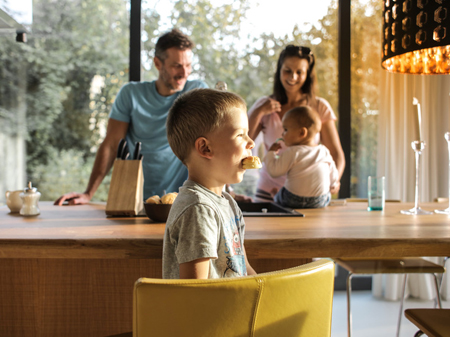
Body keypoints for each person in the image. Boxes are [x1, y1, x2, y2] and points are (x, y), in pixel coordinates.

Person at [54, 29, 208, 206]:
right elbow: (112, 145)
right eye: (177, 66)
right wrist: (88, 193)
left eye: (188, 65)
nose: (184, 72)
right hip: (133, 199)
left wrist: (228, 192)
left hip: (182, 201)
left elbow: (214, 142)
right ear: (158, 63)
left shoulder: (196, 92)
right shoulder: (131, 94)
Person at [163, 88, 257, 279]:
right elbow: (196, 295)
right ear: (205, 148)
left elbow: (243, 268)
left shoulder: (228, 203)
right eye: (241, 135)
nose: (251, 143)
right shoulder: (198, 210)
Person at [248, 45, 345, 202]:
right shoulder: (264, 106)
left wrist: (334, 181)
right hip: (269, 190)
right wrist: (258, 112)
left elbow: (335, 154)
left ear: (307, 75)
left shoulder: (320, 107)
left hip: (307, 194)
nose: (292, 77)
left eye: (299, 72)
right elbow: (244, 143)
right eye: (287, 70)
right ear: (279, 70)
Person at [264, 106, 338, 208]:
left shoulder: (293, 152)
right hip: (320, 200)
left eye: (285, 129)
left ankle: (276, 197)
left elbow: (274, 171)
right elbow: (333, 171)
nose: (282, 134)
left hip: (292, 199)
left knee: (280, 197)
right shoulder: (324, 151)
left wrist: (271, 153)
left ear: (302, 133)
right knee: (327, 196)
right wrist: (333, 184)